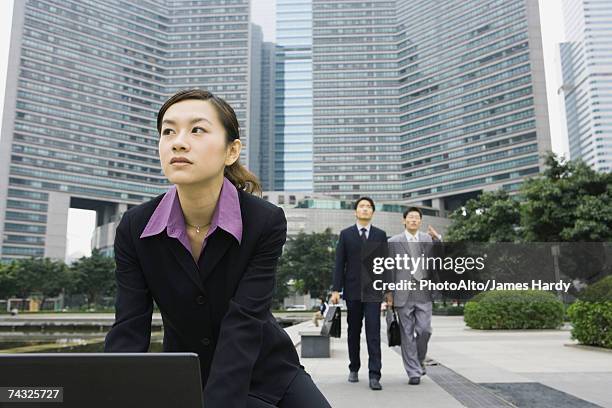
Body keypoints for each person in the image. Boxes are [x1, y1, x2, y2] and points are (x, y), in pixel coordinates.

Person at [104, 89, 331, 408]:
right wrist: (112, 392)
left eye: (197, 129)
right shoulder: (134, 226)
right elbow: (129, 327)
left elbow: (244, 322)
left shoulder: (264, 221)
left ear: (231, 151)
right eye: (168, 131)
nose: (178, 142)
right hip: (184, 371)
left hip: (265, 366)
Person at [331, 197, 388, 391]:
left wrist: (388, 290)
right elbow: (340, 263)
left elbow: (385, 265)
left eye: (368, 207)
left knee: (373, 333)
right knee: (353, 332)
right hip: (353, 290)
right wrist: (336, 290)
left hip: (374, 291)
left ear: (373, 212)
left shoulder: (380, 235)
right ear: (356, 211)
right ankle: (353, 367)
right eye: (362, 206)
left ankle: (375, 375)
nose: (365, 209)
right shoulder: (346, 235)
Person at [386, 207, 441, 386]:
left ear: (420, 221)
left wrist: (438, 239)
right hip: (402, 293)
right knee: (407, 334)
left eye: (417, 218)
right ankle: (413, 372)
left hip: (423, 290)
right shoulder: (394, 241)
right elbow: (388, 269)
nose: (413, 220)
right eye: (410, 217)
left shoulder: (427, 240)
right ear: (404, 221)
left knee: (424, 330)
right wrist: (388, 294)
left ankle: (419, 360)